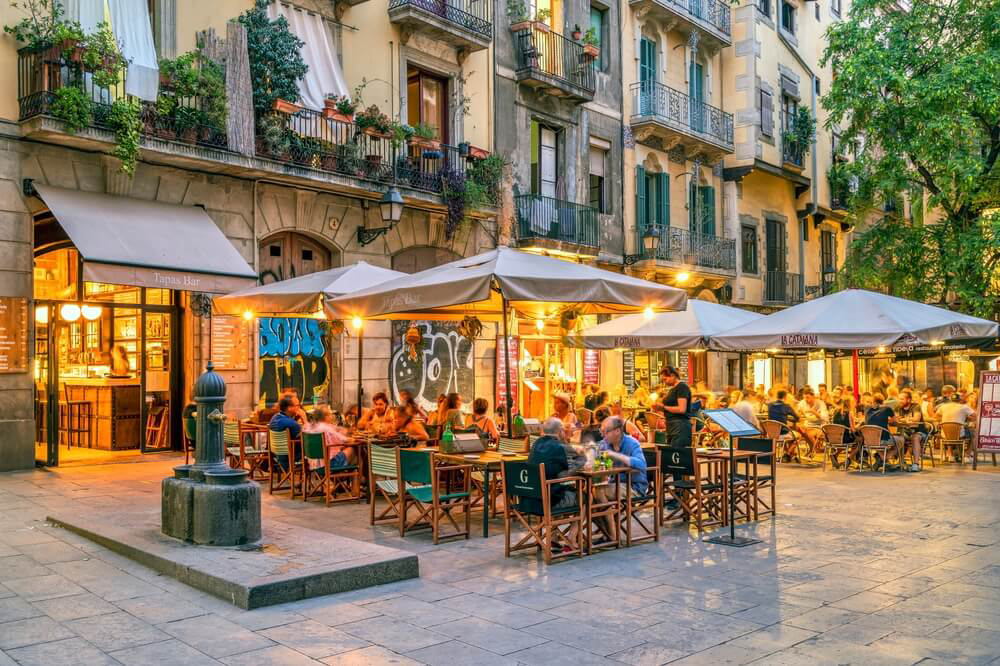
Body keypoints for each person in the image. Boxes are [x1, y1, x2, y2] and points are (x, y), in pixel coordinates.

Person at [523, 418, 577, 515]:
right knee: (587, 497)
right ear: (560, 431)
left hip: (530, 499)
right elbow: (574, 467)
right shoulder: (559, 446)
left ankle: (557, 523)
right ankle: (575, 527)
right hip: (549, 501)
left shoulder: (537, 443)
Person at [597, 416, 648, 498]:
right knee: (589, 491)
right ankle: (610, 506)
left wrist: (616, 455)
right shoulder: (604, 444)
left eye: (605, 431)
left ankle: (611, 506)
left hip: (633, 486)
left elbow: (642, 464)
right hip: (613, 483)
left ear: (617, 431)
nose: (602, 435)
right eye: (601, 431)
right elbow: (599, 464)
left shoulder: (632, 443)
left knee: (599, 491)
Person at [865, 394, 904, 468]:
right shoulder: (887, 408)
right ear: (883, 401)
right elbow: (894, 420)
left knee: (879, 440)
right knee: (901, 439)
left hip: (868, 441)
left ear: (873, 401)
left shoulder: (867, 409)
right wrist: (887, 421)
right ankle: (884, 458)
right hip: (882, 440)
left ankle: (881, 458)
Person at [658, 366, 691, 448]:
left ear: (672, 375)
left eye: (665, 379)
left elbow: (681, 409)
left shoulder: (682, 387)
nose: (664, 382)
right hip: (671, 425)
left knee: (677, 453)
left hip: (680, 426)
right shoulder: (672, 389)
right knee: (670, 453)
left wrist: (664, 407)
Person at [936, 392, 976, 462]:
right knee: (974, 435)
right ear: (960, 400)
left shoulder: (943, 406)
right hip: (960, 434)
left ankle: (950, 455)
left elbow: (936, 416)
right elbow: (975, 416)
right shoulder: (964, 407)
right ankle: (967, 455)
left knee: (949, 435)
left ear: (950, 399)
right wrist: (967, 418)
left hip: (945, 434)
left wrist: (946, 419)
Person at [768, 389, 806, 461]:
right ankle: (788, 454)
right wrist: (790, 420)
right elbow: (797, 417)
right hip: (782, 433)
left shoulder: (770, 405)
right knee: (798, 436)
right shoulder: (786, 406)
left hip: (771, 434)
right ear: (785, 397)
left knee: (789, 435)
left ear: (777, 396)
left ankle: (791, 455)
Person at [896, 389, 925, 472]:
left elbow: (916, 419)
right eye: (899, 399)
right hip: (905, 431)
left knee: (915, 438)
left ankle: (916, 464)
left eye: (902, 399)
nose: (900, 401)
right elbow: (896, 419)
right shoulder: (898, 408)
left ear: (908, 400)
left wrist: (902, 419)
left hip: (919, 431)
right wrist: (905, 420)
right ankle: (900, 461)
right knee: (898, 437)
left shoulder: (916, 406)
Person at [269, 396, 302, 468]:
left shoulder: (274, 417)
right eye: (297, 405)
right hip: (291, 457)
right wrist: (304, 418)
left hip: (277, 455)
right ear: (289, 408)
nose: (299, 408)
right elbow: (306, 436)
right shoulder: (291, 423)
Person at [797, 388, 828, 455]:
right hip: (807, 425)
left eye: (807, 397)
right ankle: (814, 448)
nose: (806, 399)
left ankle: (814, 449)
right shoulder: (802, 403)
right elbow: (798, 413)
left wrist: (814, 412)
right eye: (804, 398)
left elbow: (825, 418)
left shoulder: (820, 403)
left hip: (819, 426)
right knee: (799, 429)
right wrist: (799, 414)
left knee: (808, 433)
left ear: (813, 396)